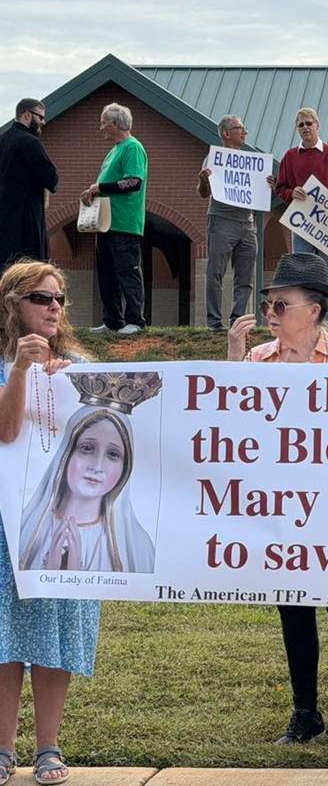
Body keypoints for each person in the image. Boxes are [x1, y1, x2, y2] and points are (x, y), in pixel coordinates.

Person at [227, 252, 328, 745]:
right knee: (294, 608)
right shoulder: (256, 361)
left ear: (313, 310)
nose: (270, 313)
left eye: (280, 304)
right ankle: (304, 711)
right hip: (281, 507)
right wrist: (233, 355)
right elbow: (231, 423)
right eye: (269, 304)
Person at [0, 260, 99, 785]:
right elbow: (7, 431)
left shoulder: (81, 366)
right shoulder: (1, 364)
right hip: (7, 524)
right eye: (41, 298)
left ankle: (48, 749)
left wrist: (70, 386)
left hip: (68, 524)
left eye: (59, 298)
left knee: (55, 633)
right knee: (6, 636)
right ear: (13, 304)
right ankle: (1, 748)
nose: (54, 307)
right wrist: (20, 371)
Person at [19, 406, 155, 574]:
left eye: (113, 454)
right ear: (66, 454)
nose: (97, 466)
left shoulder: (138, 548)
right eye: (87, 448)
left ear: (125, 468)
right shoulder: (26, 529)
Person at [269, 107, 328, 327]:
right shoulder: (290, 157)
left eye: (308, 123)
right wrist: (290, 193)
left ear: (317, 125)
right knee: (301, 271)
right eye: (301, 125)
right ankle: (305, 317)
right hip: (302, 222)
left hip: (327, 224)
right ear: (297, 129)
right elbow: (281, 188)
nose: (305, 128)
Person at [80, 103, 148, 336]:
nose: (101, 128)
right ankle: (112, 320)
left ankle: (135, 320)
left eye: (104, 122)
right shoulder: (114, 150)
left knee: (127, 270)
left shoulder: (133, 148)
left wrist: (101, 187)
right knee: (106, 272)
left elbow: (134, 182)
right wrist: (94, 191)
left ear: (116, 124)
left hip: (124, 222)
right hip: (105, 222)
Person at [197, 115, 258, 331]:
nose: (244, 132)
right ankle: (214, 322)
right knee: (215, 273)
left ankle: (237, 320)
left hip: (247, 222)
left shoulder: (251, 164)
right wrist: (204, 180)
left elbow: (260, 193)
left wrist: (268, 184)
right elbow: (204, 193)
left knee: (245, 276)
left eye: (244, 128)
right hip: (222, 220)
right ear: (226, 133)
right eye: (239, 128)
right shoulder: (213, 159)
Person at [0, 99, 58, 271]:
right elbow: (51, 179)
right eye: (40, 117)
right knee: (30, 275)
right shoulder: (31, 143)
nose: (43, 122)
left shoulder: (3, 140)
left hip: (3, 223)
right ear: (27, 115)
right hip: (26, 224)